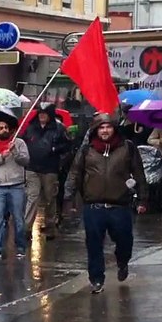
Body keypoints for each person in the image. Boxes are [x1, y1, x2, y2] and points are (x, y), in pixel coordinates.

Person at [65, 113, 149, 294]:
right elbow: (75, 173)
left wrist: (143, 198)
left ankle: (122, 262)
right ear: (95, 130)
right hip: (93, 206)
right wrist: (69, 197)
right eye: (101, 127)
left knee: (124, 241)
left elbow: (139, 174)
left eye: (108, 127)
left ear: (114, 128)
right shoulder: (87, 150)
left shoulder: (127, 148)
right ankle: (96, 279)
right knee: (94, 244)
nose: (104, 130)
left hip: (119, 206)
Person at [0, 119, 31, 260]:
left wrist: (15, 152)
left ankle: (21, 246)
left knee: (18, 218)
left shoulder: (19, 143)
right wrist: (1, 158)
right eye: (0, 128)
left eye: (6, 127)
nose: (4, 130)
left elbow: (26, 161)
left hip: (16, 186)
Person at [22, 104, 70, 241]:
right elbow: (24, 142)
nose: (42, 116)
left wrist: (56, 151)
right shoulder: (30, 128)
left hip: (50, 169)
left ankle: (50, 226)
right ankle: (27, 228)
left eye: (45, 113)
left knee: (50, 198)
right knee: (32, 197)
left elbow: (67, 146)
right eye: (40, 113)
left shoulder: (59, 128)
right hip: (32, 168)